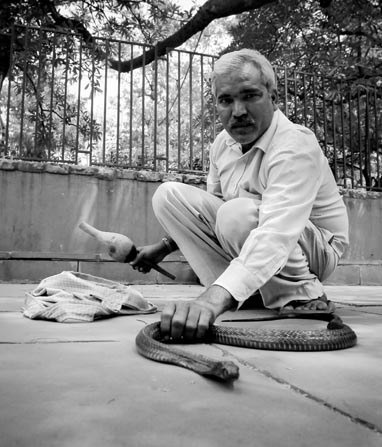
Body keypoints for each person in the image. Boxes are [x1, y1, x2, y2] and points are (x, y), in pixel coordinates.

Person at [131, 49, 349, 341]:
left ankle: (299, 292)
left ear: (273, 97)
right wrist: (165, 246)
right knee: (168, 195)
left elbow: (277, 230)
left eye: (249, 96)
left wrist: (211, 302)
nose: (238, 111)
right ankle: (246, 289)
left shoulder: (294, 144)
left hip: (315, 250)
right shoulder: (222, 144)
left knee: (236, 213)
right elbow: (216, 213)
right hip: (252, 231)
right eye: (226, 100)